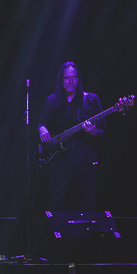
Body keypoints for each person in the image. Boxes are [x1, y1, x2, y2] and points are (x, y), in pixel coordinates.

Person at [37, 61, 103, 213]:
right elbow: (41, 123)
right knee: (57, 205)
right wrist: (42, 129)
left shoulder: (91, 100)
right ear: (61, 80)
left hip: (85, 162)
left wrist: (95, 132)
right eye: (67, 78)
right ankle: (57, 236)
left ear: (78, 79)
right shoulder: (52, 101)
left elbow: (103, 132)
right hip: (60, 163)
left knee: (87, 207)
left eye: (74, 77)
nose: (71, 81)